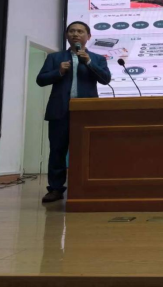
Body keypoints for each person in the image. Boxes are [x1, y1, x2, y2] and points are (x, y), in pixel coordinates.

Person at [37, 22, 112, 203]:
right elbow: (41, 80)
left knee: (87, 151)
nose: (75, 34)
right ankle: (55, 189)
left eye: (80, 31)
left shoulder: (97, 58)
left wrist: (89, 62)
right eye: (72, 31)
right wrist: (58, 71)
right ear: (67, 35)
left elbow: (105, 79)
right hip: (60, 111)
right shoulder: (54, 58)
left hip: (87, 113)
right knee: (57, 151)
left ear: (88, 36)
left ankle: (89, 186)